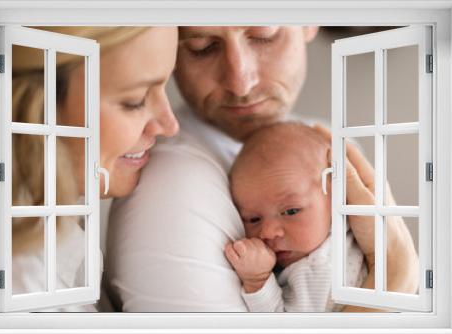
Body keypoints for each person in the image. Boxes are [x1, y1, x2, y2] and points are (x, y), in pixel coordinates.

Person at [106, 26, 418, 312]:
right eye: (202, 47)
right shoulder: (173, 186)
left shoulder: (325, 142)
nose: (241, 83)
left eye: (264, 35)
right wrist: (396, 276)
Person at [11, 27, 179, 311]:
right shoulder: (23, 290)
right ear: (35, 106)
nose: (169, 126)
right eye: (135, 101)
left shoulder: (62, 239)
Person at [225, 122, 367, 312]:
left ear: (336, 196)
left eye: (291, 211)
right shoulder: (346, 232)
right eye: (253, 219)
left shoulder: (317, 271)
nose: (268, 232)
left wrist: (257, 281)